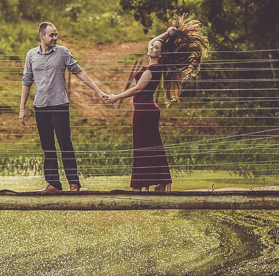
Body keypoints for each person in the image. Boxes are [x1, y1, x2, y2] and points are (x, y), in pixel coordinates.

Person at [103, 15, 208, 191]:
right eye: (152, 47)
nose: (152, 47)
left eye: (156, 48)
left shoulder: (152, 70)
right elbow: (152, 40)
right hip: (145, 110)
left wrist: (116, 97)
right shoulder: (152, 66)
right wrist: (167, 33)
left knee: (143, 147)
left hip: (145, 112)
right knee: (149, 146)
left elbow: (137, 89)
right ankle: (159, 181)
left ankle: (145, 183)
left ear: (160, 54)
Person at [20, 22, 107, 193]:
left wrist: (98, 90)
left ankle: (74, 183)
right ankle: (54, 184)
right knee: (47, 146)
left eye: (56, 34)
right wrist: (22, 108)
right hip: (40, 106)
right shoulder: (31, 55)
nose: (55, 38)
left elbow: (79, 72)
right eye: (51, 35)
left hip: (59, 105)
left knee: (65, 144)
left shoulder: (62, 52)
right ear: (42, 36)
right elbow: (26, 82)